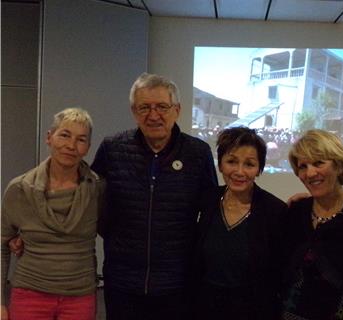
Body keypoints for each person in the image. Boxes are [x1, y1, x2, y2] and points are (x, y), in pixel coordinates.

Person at [90, 73, 217, 320]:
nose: (153, 115)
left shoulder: (198, 153)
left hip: (177, 283)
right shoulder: (112, 148)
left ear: (177, 110)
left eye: (162, 106)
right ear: (133, 111)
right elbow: (89, 199)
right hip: (122, 281)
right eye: (144, 107)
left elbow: (212, 210)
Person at [1, 108, 104, 320]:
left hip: (80, 296)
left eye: (80, 139)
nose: (71, 146)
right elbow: (1, 243)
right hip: (30, 294)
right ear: (49, 137)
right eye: (64, 135)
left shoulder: (97, 189)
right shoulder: (19, 189)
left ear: (87, 148)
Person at [282, 129, 343, 320]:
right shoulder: (295, 211)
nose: (310, 173)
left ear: (338, 165)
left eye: (318, 163)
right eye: (303, 166)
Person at [193, 126, 287, 320]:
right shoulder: (206, 200)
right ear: (220, 164)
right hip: (205, 306)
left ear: (259, 169)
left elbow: (279, 272)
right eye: (231, 161)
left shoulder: (274, 210)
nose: (239, 171)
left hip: (253, 310)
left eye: (249, 164)